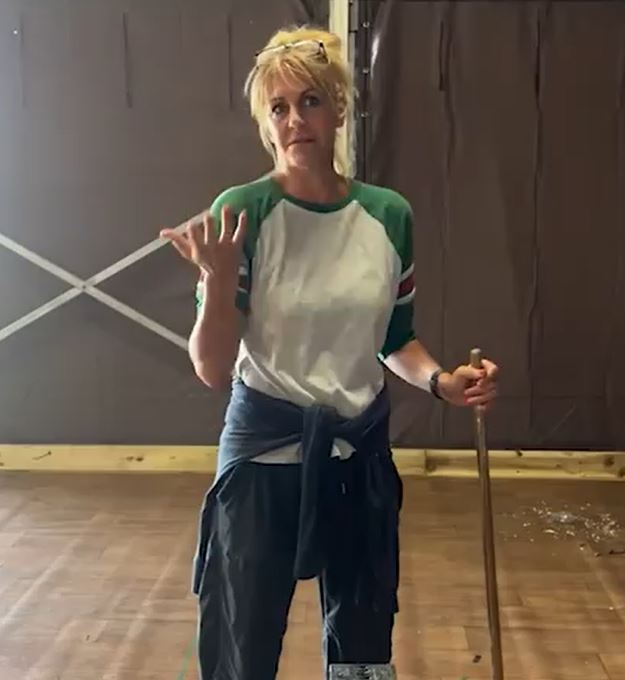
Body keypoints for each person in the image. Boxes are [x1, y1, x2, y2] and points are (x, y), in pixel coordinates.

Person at [160, 24, 499, 680]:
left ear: (339, 108)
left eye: (310, 101)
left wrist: (441, 383)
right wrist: (216, 278)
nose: (294, 119)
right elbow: (210, 367)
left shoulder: (387, 215)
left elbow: (394, 338)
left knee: (363, 635)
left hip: (356, 459)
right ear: (265, 120)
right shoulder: (243, 213)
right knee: (242, 639)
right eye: (278, 107)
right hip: (263, 461)